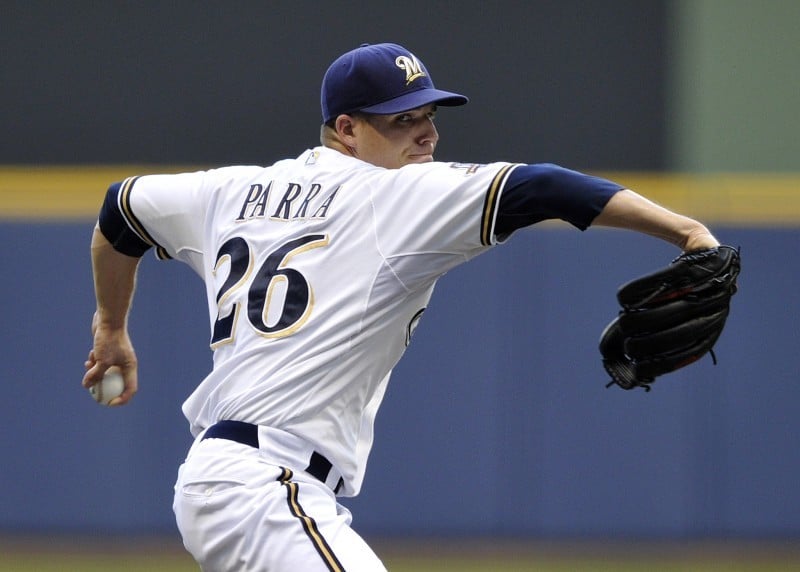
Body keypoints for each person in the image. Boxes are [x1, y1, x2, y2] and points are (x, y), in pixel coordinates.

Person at [82, 42, 720, 571]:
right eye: (402, 120)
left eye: (430, 115)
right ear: (347, 130)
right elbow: (544, 187)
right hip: (261, 488)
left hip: (246, 484)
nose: (426, 134)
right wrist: (690, 234)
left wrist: (111, 328)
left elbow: (119, 211)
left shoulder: (230, 190)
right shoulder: (393, 197)